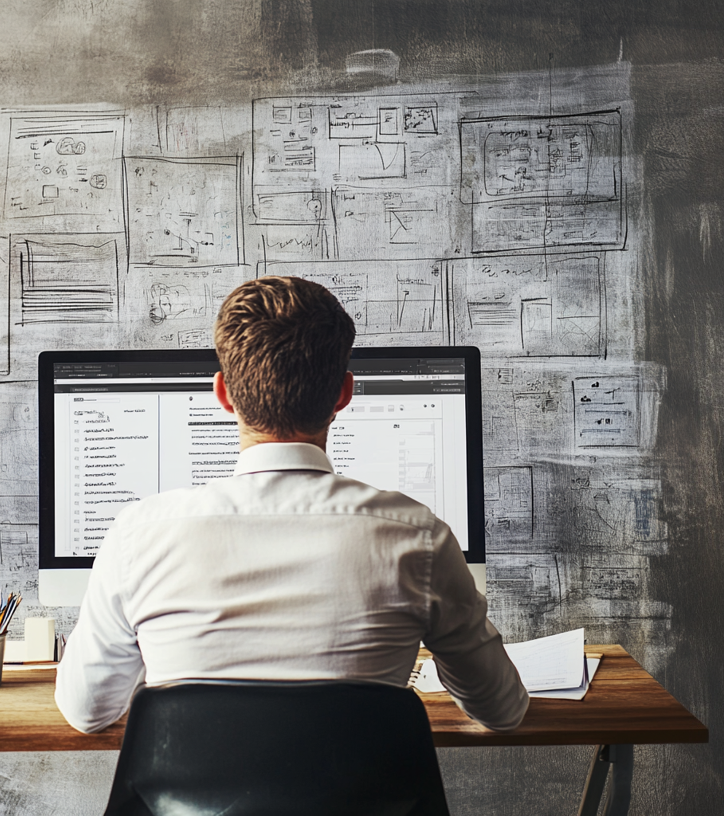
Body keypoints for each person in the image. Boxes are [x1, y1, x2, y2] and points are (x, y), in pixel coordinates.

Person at [55, 276, 527, 733]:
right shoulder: (418, 537)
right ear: (344, 393)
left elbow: (86, 712)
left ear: (222, 394)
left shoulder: (139, 535)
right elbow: (503, 711)